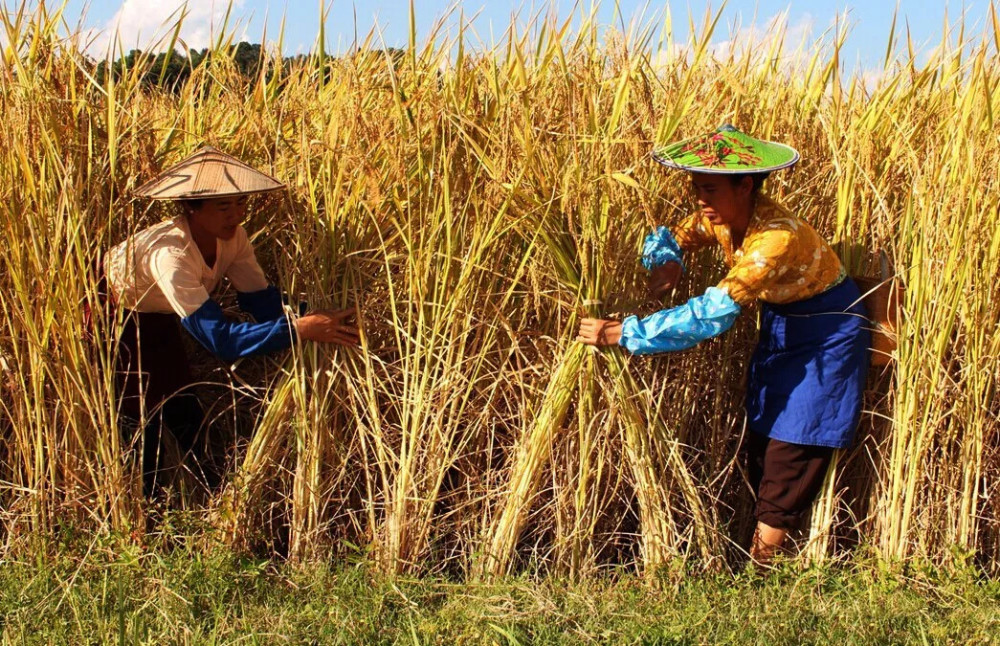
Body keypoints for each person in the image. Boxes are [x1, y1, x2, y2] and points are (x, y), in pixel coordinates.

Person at [576, 125, 870, 566]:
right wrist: (668, 262)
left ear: (745, 185)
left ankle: (760, 571)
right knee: (764, 437)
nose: (699, 198)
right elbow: (669, 235)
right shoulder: (722, 218)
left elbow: (714, 312)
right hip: (783, 329)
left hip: (825, 340)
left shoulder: (776, 238)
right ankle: (758, 560)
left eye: (709, 188)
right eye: (696, 187)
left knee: (792, 446)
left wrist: (625, 333)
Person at [104, 146, 359, 495]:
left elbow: (260, 299)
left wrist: (315, 317)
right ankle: (138, 506)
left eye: (240, 203)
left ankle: (214, 497)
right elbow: (220, 341)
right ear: (191, 209)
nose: (235, 214)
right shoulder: (171, 256)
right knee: (138, 411)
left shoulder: (234, 237)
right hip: (117, 314)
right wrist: (299, 329)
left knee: (181, 400)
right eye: (223, 206)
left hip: (161, 311)